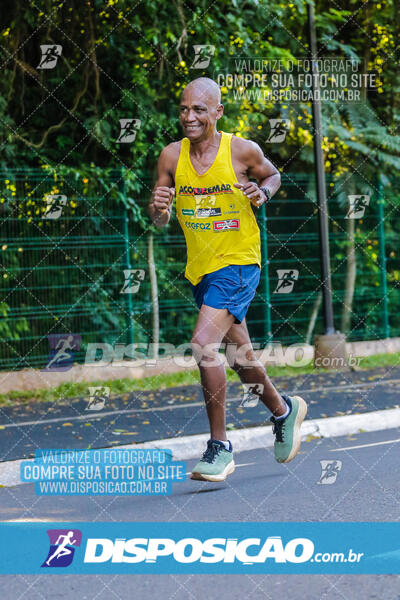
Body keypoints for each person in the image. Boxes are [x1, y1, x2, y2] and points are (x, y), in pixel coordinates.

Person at [148, 77, 307, 482]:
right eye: (184, 109)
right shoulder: (171, 156)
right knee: (239, 358)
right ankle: (284, 411)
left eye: (199, 109)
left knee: (203, 346)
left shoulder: (241, 150)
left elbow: (273, 176)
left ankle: (220, 446)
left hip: (238, 262)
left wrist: (263, 193)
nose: (190, 116)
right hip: (201, 269)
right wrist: (159, 208)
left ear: (217, 112)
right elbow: (160, 216)